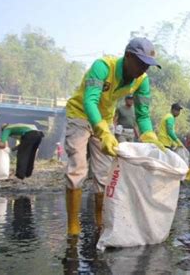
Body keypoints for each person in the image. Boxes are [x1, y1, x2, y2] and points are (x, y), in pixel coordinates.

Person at [64, 37, 163, 236]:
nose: (144, 69)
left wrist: (150, 137)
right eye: (141, 63)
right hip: (80, 116)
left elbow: (142, 115)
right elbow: (90, 101)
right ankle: (73, 224)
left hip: (106, 120)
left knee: (104, 174)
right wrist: (103, 132)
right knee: (78, 169)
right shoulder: (102, 67)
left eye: (148, 65)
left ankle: (100, 221)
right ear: (128, 56)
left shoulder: (141, 81)